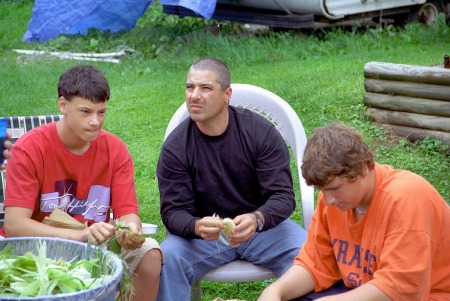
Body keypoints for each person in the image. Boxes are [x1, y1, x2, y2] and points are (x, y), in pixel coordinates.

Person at [0, 65, 162, 301]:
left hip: (96, 247)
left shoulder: (115, 150)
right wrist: (80, 236)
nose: (96, 121)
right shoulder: (30, 148)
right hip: (36, 249)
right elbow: (15, 226)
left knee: (149, 254)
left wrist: (130, 230)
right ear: (63, 105)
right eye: (86, 112)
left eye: (102, 112)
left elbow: (127, 214)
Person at [156, 57, 308, 301]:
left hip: (263, 229)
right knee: (169, 257)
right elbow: (173, 211)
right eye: (189, 87)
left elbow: (283, 196)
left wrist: (257, 218)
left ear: (227, 94)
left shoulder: (260, 132)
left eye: (205, 88)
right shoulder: (176, 147)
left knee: (308, 255)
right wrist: (195, 225)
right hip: (204, 238)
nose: (194, 95)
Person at [258, 124, 450, 301]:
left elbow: (401, 288)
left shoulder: (405, 198)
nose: (328, 199)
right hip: (364, 289)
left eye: (335, 188)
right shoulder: (332, 201)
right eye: (322, 190)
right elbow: (315, 263)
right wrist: (276, 291)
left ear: (364, 168)